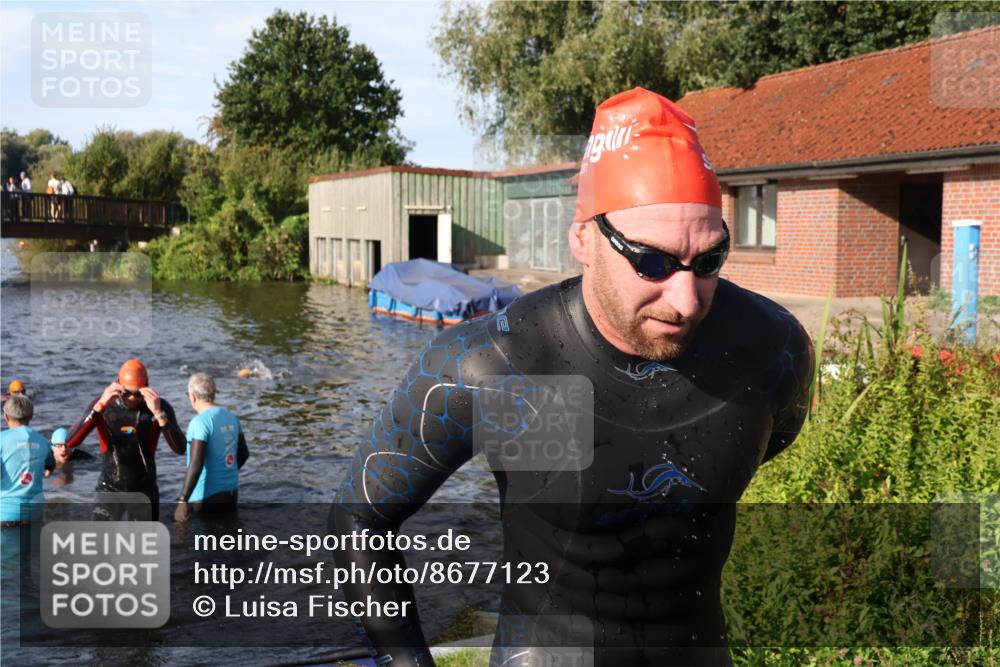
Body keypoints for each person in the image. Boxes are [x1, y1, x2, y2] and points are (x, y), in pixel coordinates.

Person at [330, 87, 813, 666]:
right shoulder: (501, 364)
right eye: (652, 262)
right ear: (583, 239)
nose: (686, 301)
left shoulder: (770, 350)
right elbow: (360, 519)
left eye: (709, 260)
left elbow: (767, 439)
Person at [65, 359, 186, 520]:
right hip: (110, 488)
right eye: (126, 392)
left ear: (147, 386)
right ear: (117, 385)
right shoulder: (103, 405)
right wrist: (98, 408)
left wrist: (159, 415)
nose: (132, 398)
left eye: (138, 393)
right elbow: (70, 442)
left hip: (144, 489)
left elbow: (180, 448)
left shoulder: (159, 406)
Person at [174, 373, 249, 523]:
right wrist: (225, 474)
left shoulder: (200, 422)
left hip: (205, 498)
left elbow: (196, 464)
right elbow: (244, 454)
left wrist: (183, 500)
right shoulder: (231, 417)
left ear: (192, 396)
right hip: (231, 494)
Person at [1, 395, 67, 526]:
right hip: (34, 514)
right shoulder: (43, 442)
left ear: (6, 416)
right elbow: (51, 466)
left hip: (5, 514)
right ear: (31, 415)